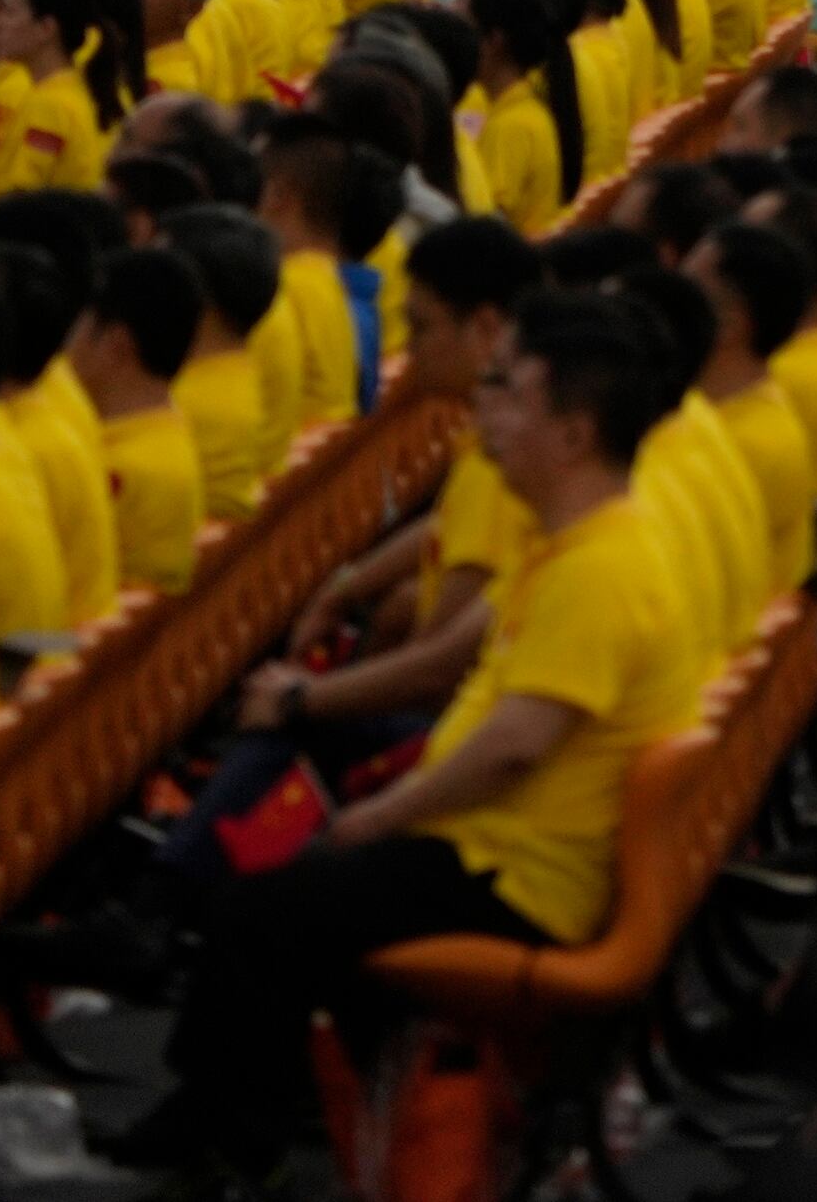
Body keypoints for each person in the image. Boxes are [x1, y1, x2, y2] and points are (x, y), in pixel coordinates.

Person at [119, 289, 708, 1199]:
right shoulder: (578, 541)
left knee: (267, 907)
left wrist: (383, 814)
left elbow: (517, 740)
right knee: (285, 878)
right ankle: (275, 1121)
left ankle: (239, 1136)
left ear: (574, 434)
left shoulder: (605, 565)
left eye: (512, 396)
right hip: (492, 840)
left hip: (517, 874)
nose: (489, 413)